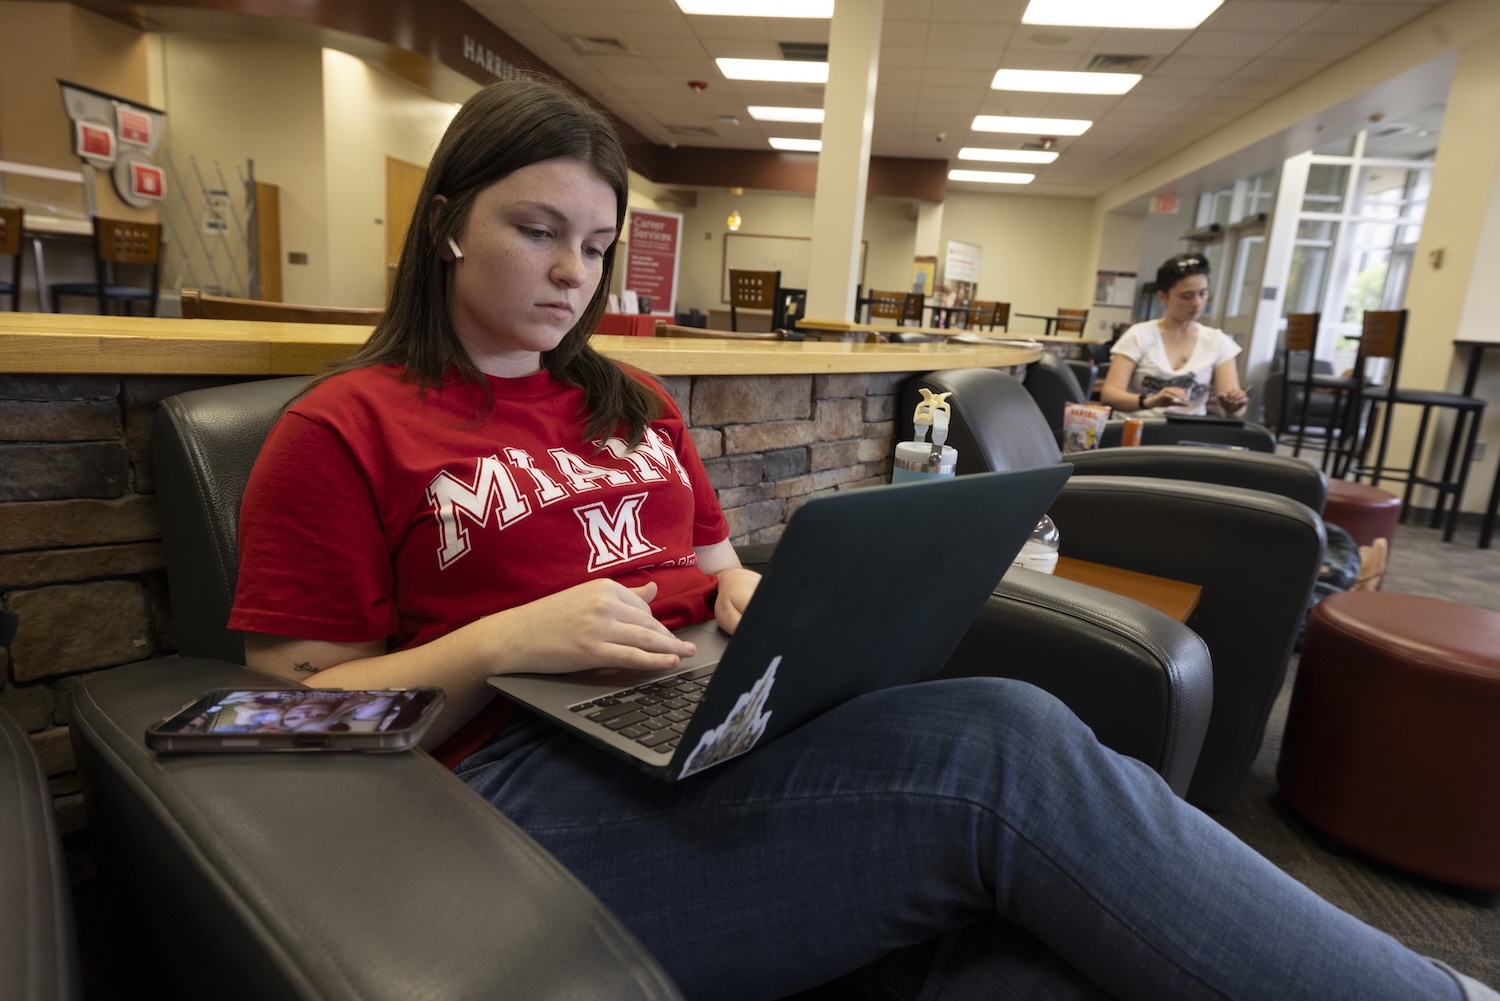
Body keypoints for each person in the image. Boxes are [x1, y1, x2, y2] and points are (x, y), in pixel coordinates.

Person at [227, 77, 1496, 1001]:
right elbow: (294, 720)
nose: (574, 273)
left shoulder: (631, 401)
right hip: (517, 799)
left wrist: (742, 602)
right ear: (448, 220)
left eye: (598, 243)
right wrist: (507, 635)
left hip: (700, 724)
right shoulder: (347, 428)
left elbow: (712, 568)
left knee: (1044, 956)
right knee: (1003, 741)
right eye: (536, 229)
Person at [1100, 254, 1250, 418]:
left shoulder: (1218, 342)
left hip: (1187, 436)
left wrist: (1233, 406)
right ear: (1163, 297)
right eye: (1187, 296)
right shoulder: (1138, 335)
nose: (1197, 303)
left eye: (1203, 294)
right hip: (1136, 432)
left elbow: (1233, 410)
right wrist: (1149, 401)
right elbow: (1110, 395)